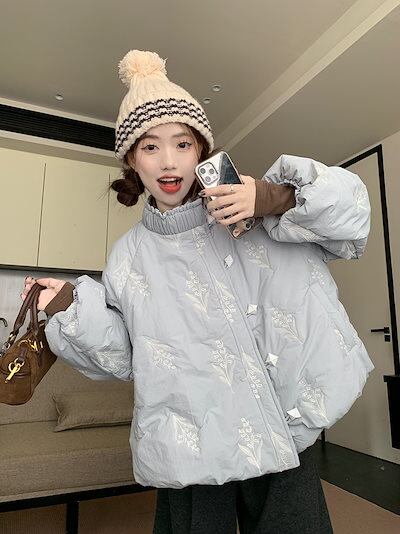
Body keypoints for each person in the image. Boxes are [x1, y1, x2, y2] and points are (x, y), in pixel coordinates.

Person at [22, 50, 373, 533]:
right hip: (192, 429)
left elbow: (351, 218)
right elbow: (126, 354)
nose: (168, 162)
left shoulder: (254, 207)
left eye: (182, 144)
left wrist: (273, 197)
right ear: (132, 159)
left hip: (284, 413)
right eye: (150, 147)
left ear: (201, 151)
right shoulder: (129, 256)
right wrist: (69, 307)